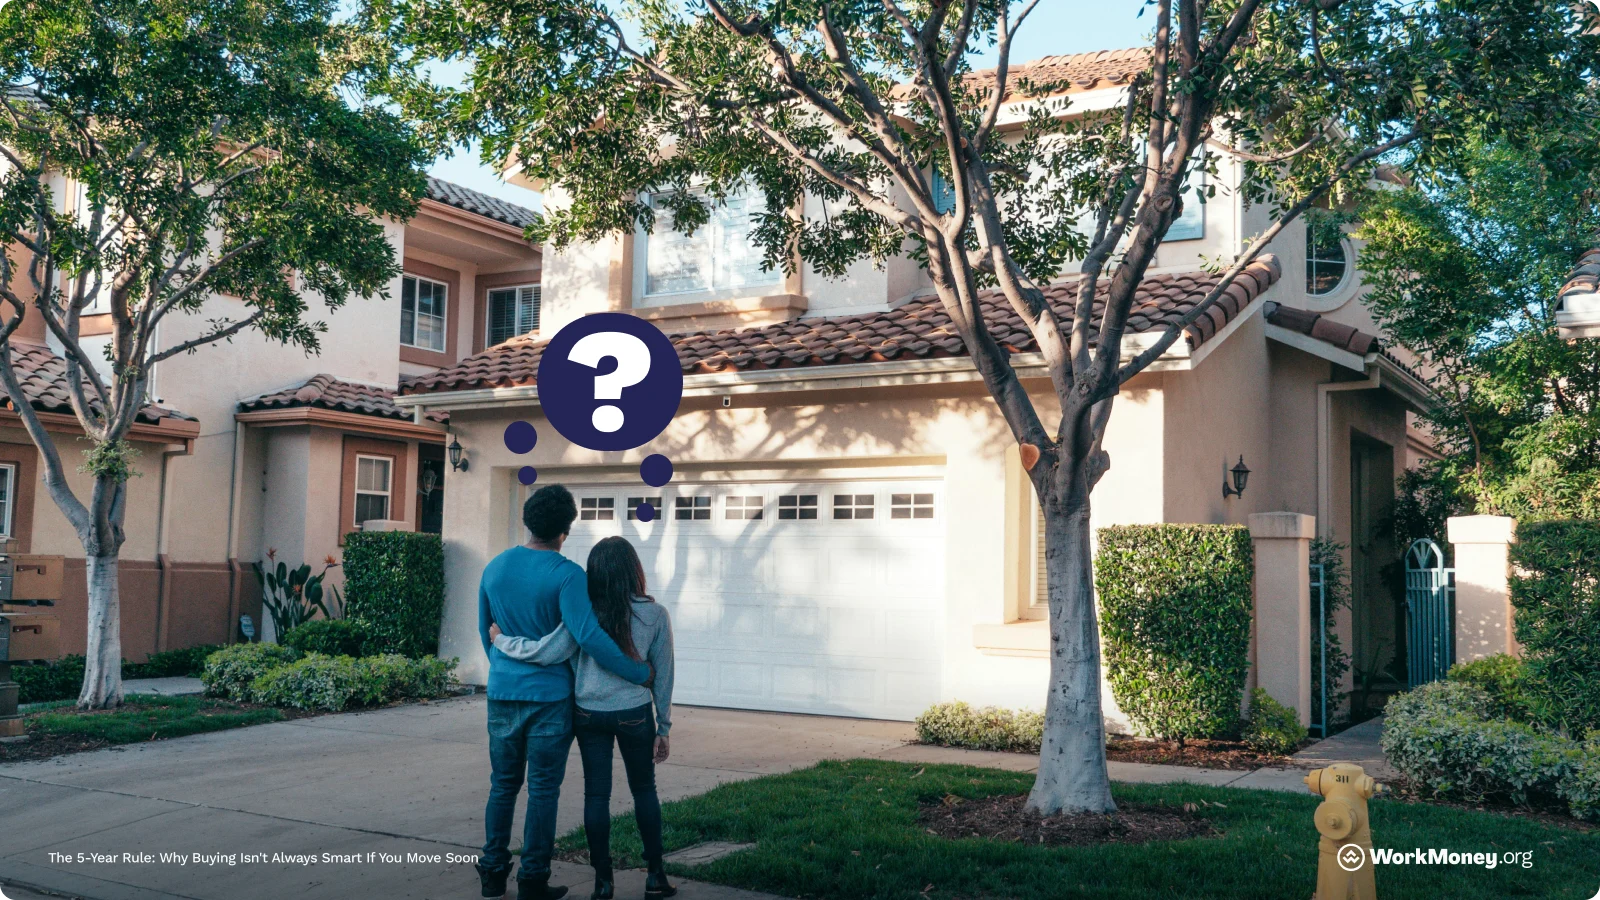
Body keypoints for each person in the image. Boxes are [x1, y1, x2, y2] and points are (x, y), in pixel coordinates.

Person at [477, 486, 653, 900]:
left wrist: (505, 670)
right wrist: (637, 671)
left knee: (502, 785)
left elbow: (485, 633)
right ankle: (532, 880)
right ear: (565, 529)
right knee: (541, 790)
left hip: (502, 692)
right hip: (550, 700)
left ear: (528, 522)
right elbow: (588, 636)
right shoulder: (568, 574)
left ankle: (492, 872)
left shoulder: (494, 568)